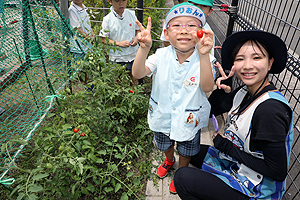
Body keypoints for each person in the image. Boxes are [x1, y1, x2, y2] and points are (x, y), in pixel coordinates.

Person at [174, 30, 294, 200]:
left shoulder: (270, 110)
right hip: (236, 164)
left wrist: (226, 147)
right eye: (240, 59)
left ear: (270, 63)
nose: (247, 65)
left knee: (183, 178)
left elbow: (276, 171)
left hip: (257, 189)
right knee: (188, 149)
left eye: (257, 57)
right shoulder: (245, 91)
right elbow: (211, 110)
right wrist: (222, 90)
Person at [132, 2, 214, 194]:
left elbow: (208, 87)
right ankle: (169, 159)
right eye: (177, 25)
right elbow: (138, 73)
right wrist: (143, 49)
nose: (184, 30)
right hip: (163, 115)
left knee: (186, 150)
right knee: (164, 143)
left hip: (189, 120)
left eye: (192, 25)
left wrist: (203, 55)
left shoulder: (206, 59)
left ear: (201, 32)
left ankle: (181, 172)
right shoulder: (160, 55)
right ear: (166, 34)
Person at [99, 0, 140, 85]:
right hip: (117, 56)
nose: (121, 4)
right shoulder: (107, 19)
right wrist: (118, 43)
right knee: (119, 81)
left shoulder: (131, 14)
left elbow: (138, 30)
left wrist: (136, 38)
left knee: (132, 78)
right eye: (117, 1)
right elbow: (103, 39)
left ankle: (132, 96)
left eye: (124, 0)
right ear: (110, 2)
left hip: (132, 54)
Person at [69, 0, 94, 84]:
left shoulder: (83, 8)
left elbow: (87, 24)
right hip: (78, 46)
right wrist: (89, 37)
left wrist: (92, 34)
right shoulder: (72, 10)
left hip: (87, 44)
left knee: (88, 68)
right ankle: (86, 88)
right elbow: (76, 29)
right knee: (81, 70)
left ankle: (89, 87)